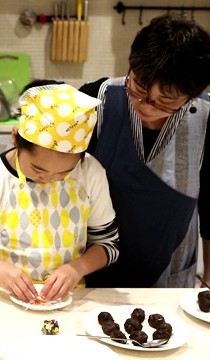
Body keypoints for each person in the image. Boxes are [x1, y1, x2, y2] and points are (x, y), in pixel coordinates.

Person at [0, 84, 120, 303]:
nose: (48, 179)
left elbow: (108, 244)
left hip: (69, 302)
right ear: (16, 138)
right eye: (38, 169)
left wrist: (77, 269)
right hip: (2, 300)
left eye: (65, 172)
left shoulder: (90, 173)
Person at [80, 13, 210, 288]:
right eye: (138, 87)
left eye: (165, 101)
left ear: (192, 95)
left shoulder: (206, 119)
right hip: (86, 275)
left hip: (169, 281)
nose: (146, 106)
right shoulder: (95, 100)